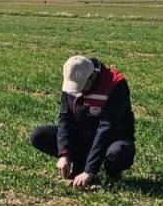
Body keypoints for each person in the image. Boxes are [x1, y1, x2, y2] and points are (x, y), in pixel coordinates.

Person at [30, 55, 136, 188]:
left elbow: (106, 129)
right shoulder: (72, 81)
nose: (78, 90)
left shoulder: (115, 85)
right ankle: (80, 161)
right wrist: (64, 153)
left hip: (111, 138)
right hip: (83, 135)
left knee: (118, 153)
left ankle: (110, 171)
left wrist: (90, 170)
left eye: (81, 85)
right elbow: (65, 118)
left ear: (93, 76)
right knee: (38, 135)